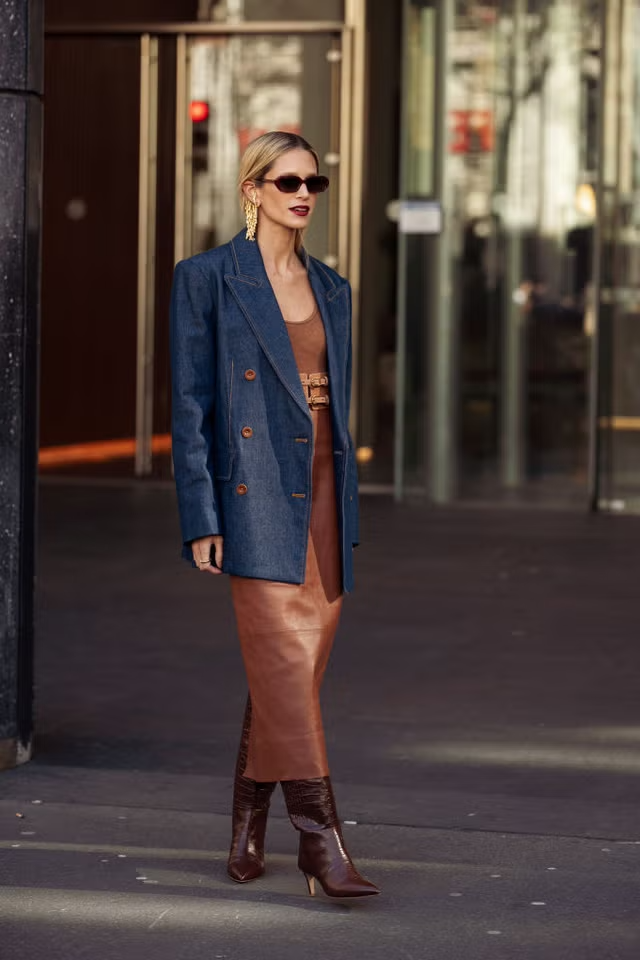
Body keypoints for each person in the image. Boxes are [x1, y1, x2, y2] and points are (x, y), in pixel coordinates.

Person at [170, 131, 379, 899]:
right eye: (287, 180)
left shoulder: (334, 288)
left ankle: (245, 824)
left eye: (314, 181)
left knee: (288, 672)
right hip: (252, 486)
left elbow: (338, 401)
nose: (304, 193)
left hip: (324, 483)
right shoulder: (207, 279)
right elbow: (190, 404)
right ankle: (322, 840)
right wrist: (201, 513)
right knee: (285, 663)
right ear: (251, 189)